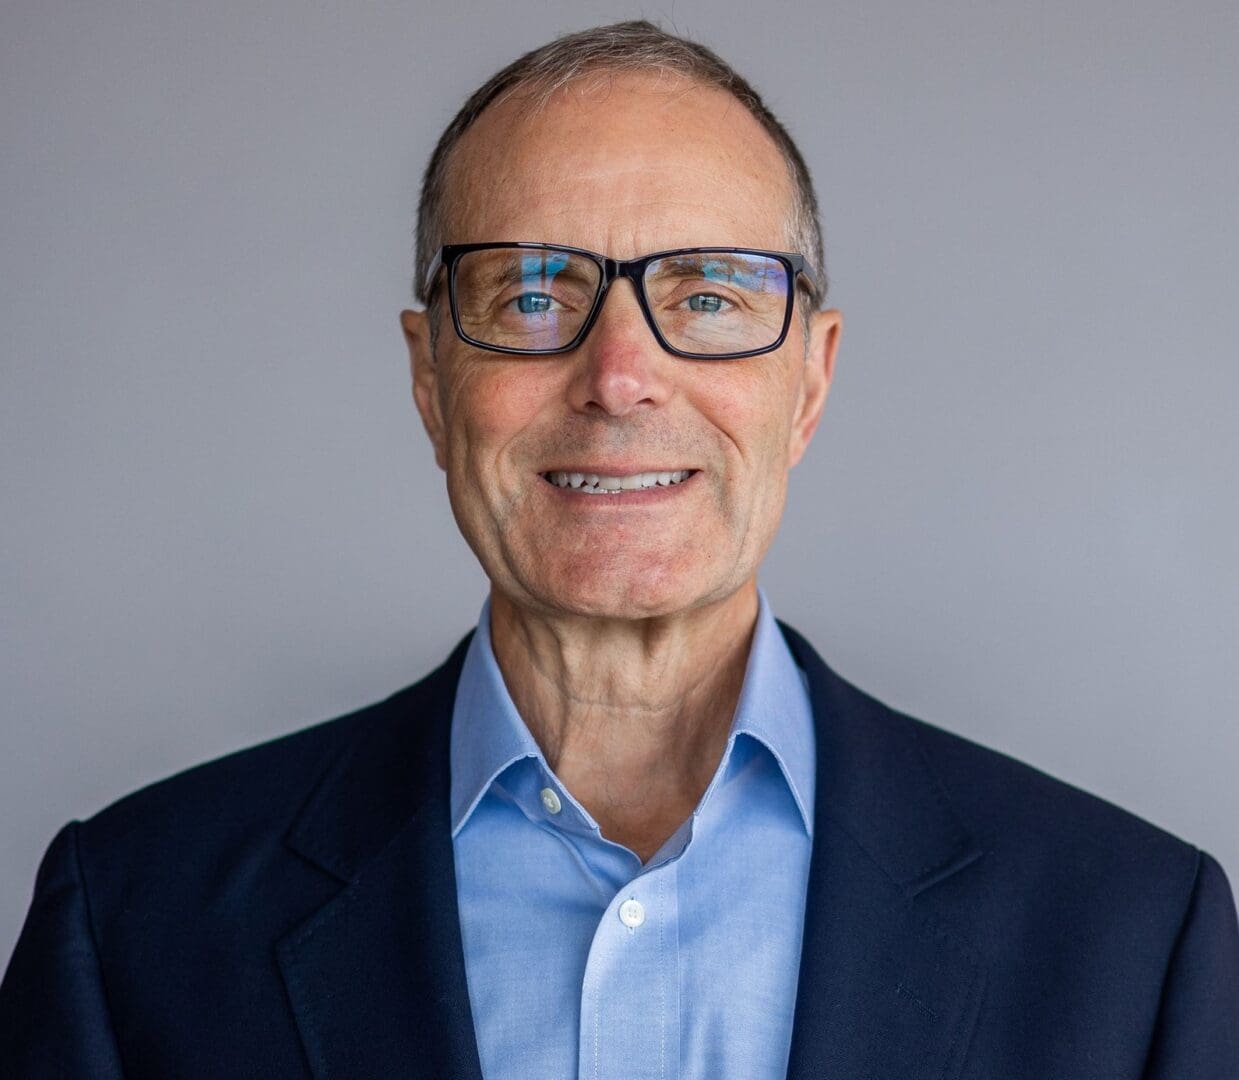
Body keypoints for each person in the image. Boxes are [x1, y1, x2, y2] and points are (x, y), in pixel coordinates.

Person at [2, 18, 1237, 1079]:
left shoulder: (1129, 936)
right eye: (534, 294)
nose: (620, 376)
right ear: (431, 378)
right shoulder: (134, 925)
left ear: (810, 382)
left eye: (708, 295)